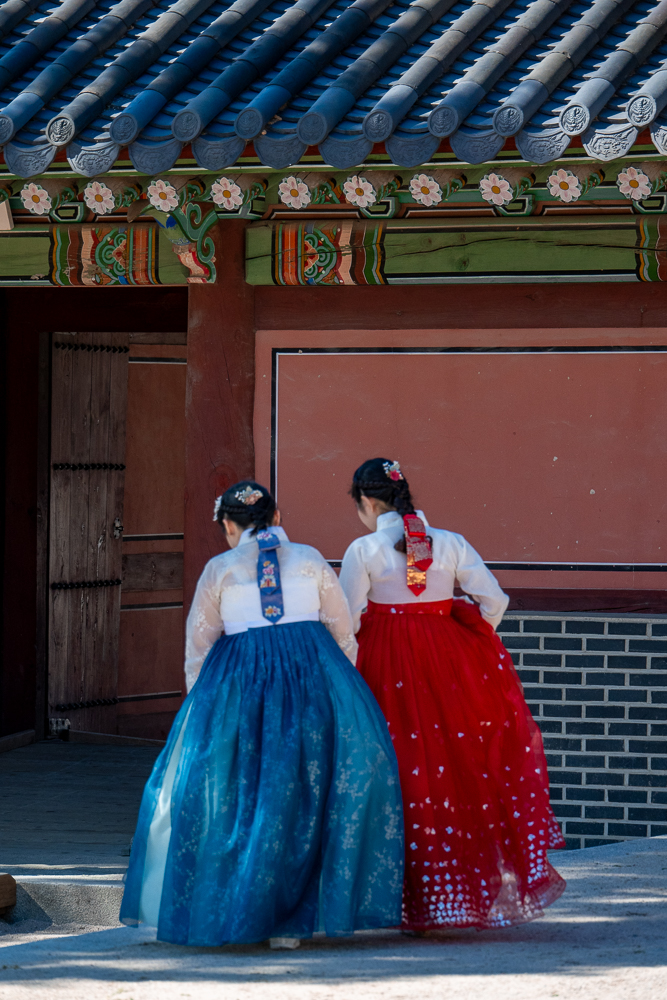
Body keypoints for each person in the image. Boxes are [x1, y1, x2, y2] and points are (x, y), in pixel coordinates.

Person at [120, 481, 404, 948]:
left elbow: (199, 645)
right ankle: (291, 921)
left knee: (244, 800)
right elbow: (341, 630)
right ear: (276, 518)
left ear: (229, 525)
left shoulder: (220, 569)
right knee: (301, 799)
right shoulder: (311, 559)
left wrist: (202, 709)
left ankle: (244, 911)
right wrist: (340, 691)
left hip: (241, 693)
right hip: (312, 685)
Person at [339, 458, 565, 933]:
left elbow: (345, 619)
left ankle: (406, 897)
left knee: (400, 771)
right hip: (449, 669)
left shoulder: (364, 549)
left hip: (386, 670)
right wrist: (461, 634)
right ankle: (458, 895)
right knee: (457, 771)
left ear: (366, 500)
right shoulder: (451, 542)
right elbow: (494, 602)